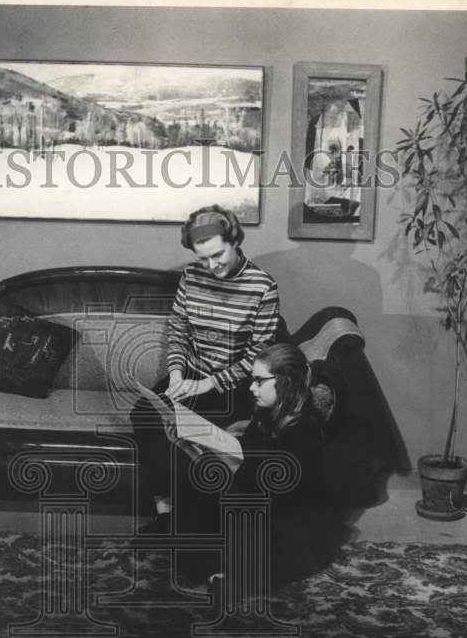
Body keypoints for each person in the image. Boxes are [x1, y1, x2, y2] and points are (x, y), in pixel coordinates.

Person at [130, 204, 280, 523]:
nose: (211, 266)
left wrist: (208, 384)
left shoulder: (262, 286)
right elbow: (179, 328)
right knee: (143, 414)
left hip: (234, 386)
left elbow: (260, 351)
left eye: (218, 255)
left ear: (235, 241)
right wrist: (175, 374)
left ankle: (189, 516)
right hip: (191, 376)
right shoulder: (191, 275)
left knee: (194, 433)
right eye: (202, 258)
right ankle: (164, 506)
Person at [148, 343, 327, 593]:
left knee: (212, 558)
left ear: (287, 382)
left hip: (278, 523)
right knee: (195, 491)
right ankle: (225, 568)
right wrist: (184, 443)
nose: (252, 388)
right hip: (252, 505)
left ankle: (239, 573)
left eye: (259, 381)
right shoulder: (266, 415)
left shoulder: (304, 433)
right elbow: (242, 461)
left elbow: (265, 492)